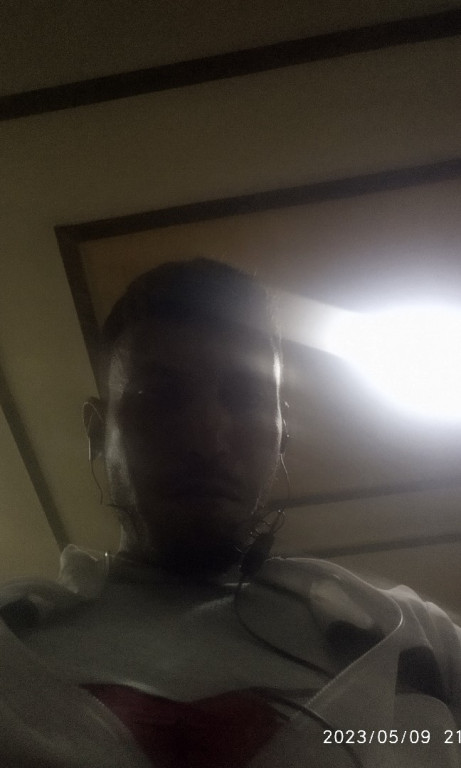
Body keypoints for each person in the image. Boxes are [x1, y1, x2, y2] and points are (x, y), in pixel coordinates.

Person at [1, 258, 461, 767]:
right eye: (159, 396)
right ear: (96, 433)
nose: (206, 440)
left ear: (283, 435)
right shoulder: (13, 639)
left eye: (246, 397)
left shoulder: (419, 636)